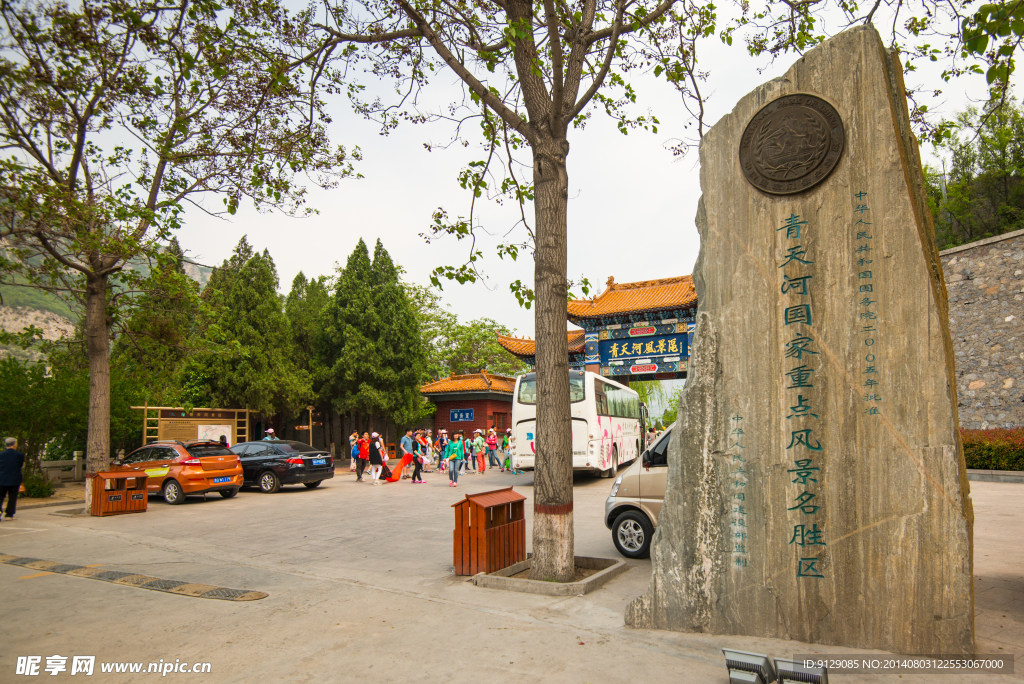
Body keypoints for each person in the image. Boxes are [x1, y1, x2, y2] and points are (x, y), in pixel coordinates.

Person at [0, 437, 26, 521]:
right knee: (12, 497)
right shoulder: (20, 455)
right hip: (14, 478)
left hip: (2, 478)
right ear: (15, 444)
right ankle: (9, 514)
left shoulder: (1, 455)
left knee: (0, 497)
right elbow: (20, 465)